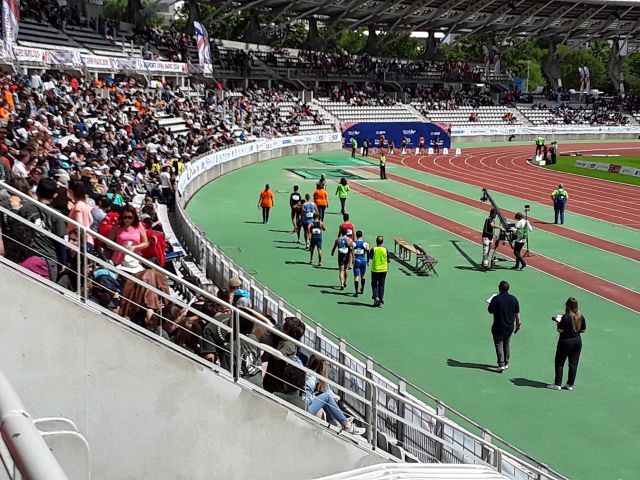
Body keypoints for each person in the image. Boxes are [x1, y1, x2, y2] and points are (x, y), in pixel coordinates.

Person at [304, 355, 365, 435]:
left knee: (324, 398)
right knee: (327, 397)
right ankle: (347, 425)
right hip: (305, 408)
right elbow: (308, 397)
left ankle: (335, 422)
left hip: (305, 404)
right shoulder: (311, 378)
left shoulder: (308, 373)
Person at [548, 297, 586, 391]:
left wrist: (558, 323)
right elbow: (583, 330)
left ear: (567, 306)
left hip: (565, 342)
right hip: (577, 342)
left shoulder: (566, 317)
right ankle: (569, 384)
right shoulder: (581, 317)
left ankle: (557, 384)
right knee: (573, 364)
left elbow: (560, 330)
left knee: (559, 362)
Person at [487, 280, 521, 371]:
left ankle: (501, 364)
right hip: (509, 327)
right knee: (506, 343)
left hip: (498, 326)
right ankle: (506, 363)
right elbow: (517, 313)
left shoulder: (496, 299)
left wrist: (491, 303)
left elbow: (490, 311)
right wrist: (518, 324)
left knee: (499, 344)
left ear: (499, 288)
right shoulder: (514, 299)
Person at [369, 235, 389, 307]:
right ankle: (380, 301)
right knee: (381, 285)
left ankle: (376, 297)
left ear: (376, 241)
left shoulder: (373, 249)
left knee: (374, 284)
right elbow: (388, 259)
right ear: (382, 242)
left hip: (375, 269)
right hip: (383, 269)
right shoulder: (385, 249)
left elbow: (370, 257)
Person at [352, 230, 369, 297]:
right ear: (362, 235)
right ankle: (362, 289)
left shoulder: (354, 243)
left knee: (356, 277)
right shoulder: (365, 243)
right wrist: (368, 260)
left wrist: (353, 258)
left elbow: (351, 251)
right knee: (363, 275)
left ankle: (356, 292)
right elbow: (367, 252)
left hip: (357, 261)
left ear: (356, 236)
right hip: (363, 261)